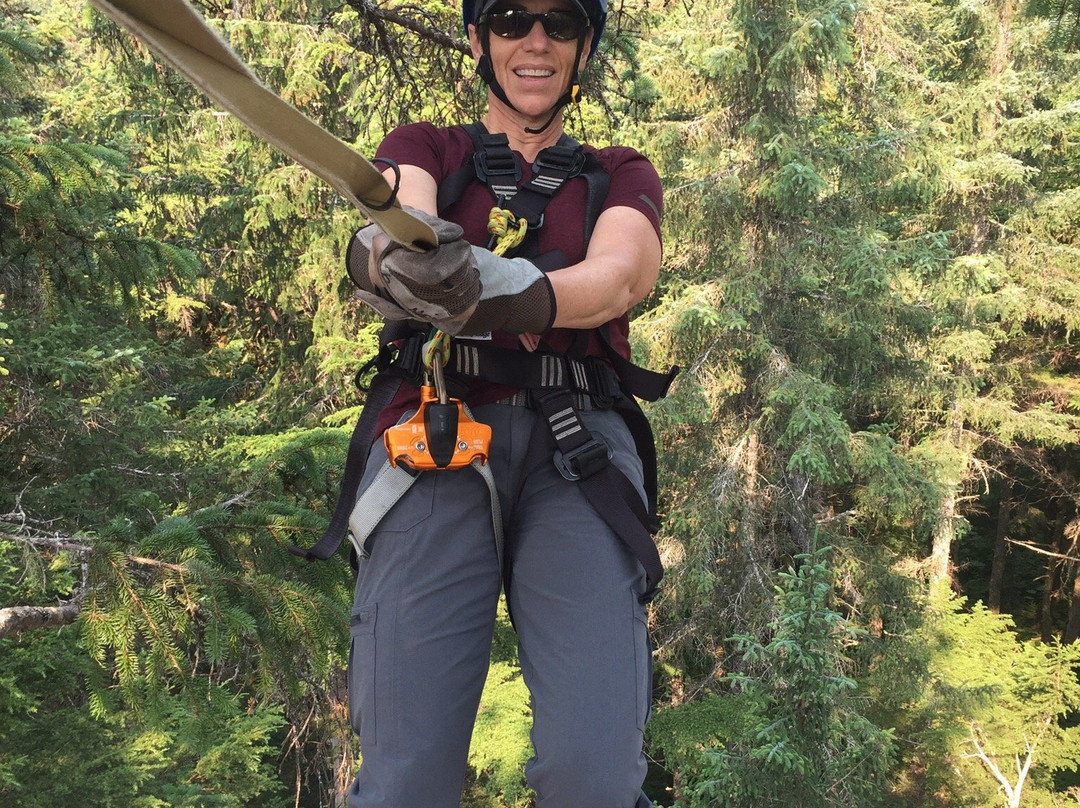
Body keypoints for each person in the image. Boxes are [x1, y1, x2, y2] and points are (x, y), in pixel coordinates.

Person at [339, 0, 668, 805]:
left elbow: (621, 276)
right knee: (405, 778)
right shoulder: (426, 148)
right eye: (515, 18)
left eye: (558, 24)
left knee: (592, 774)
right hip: (438, 436)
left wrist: (510, 290)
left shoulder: (618, 173)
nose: (536, 42)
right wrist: (394, 259)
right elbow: (397, 217)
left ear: (582, 47)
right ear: (482, 38)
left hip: (577, 448)